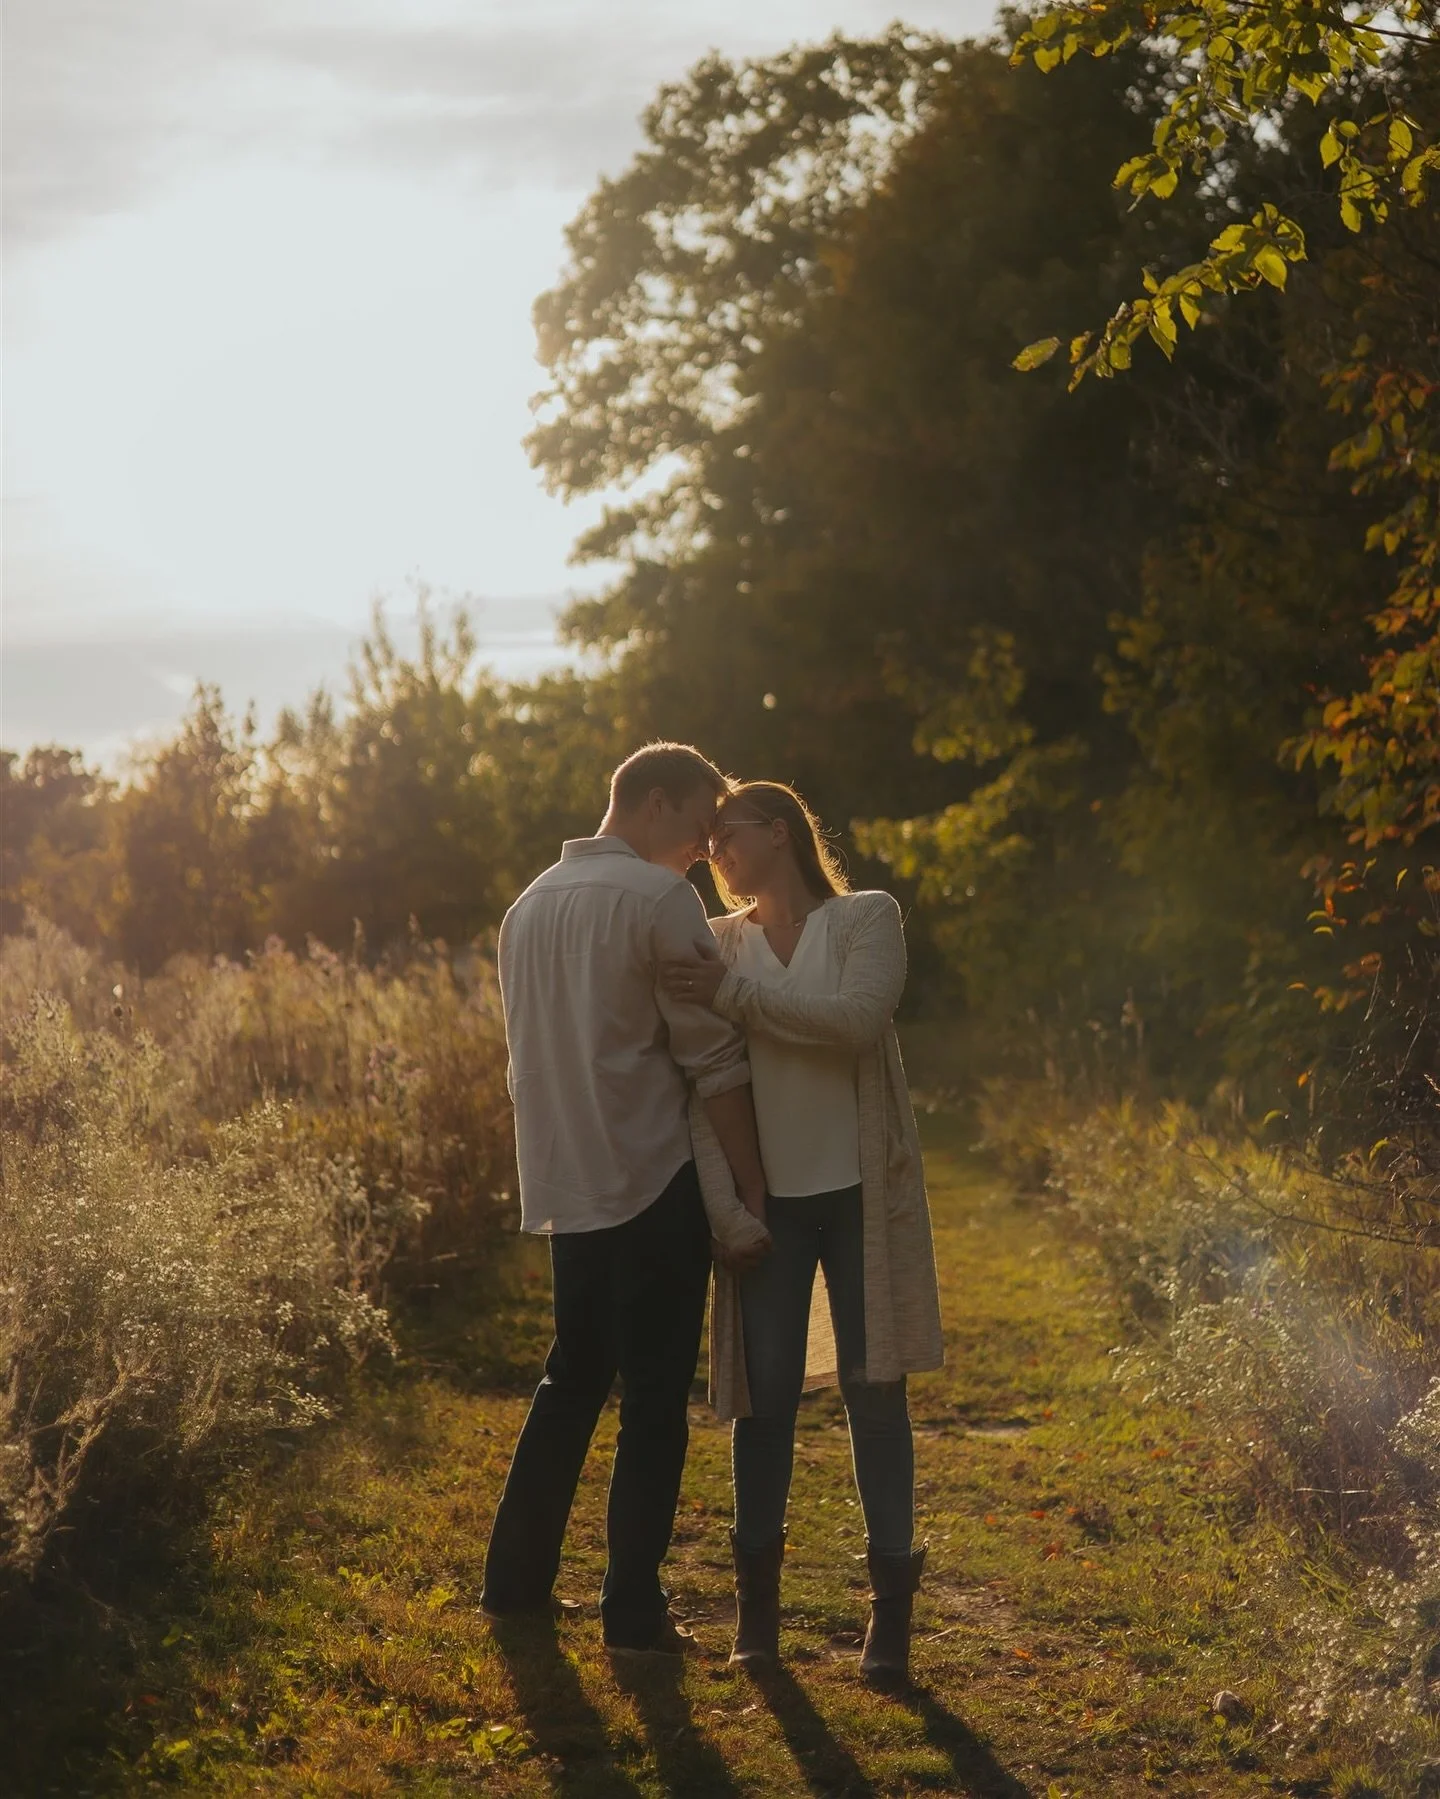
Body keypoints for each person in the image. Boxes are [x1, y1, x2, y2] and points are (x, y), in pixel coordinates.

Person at [479, 742, 771, 1659]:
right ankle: (633, 1613)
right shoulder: (655, 897)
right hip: (651, 1174)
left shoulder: (524, 909)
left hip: (569, 1177)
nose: (702, 851)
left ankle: (515, 1587)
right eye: (695, 829)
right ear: (653, 802)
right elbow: (711, 1054)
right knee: (652, 1396)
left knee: (572, 1378)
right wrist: (751, 1184)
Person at [661, 781, 944, 1682]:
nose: (710, 854)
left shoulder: (865, 918)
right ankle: (758, 1618)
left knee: (875, 1391)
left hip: (861, 1193)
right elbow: (704, 1085)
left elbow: (858, 1023)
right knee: (763, 1403)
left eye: (722, 837)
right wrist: (726, 1207)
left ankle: (890, 1615)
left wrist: (737, 996)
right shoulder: (719, 941)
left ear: (776, 832)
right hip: (768, 1204)